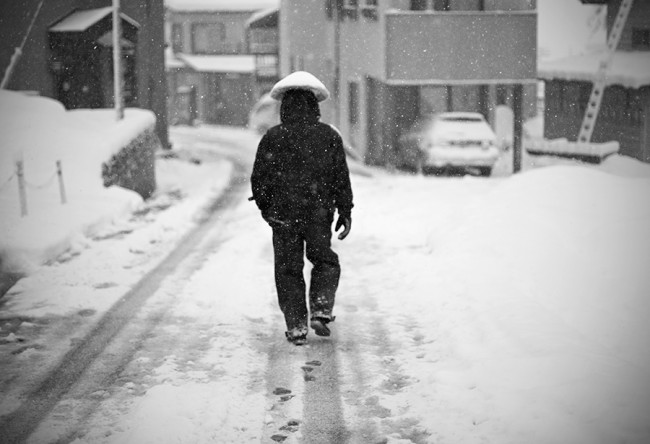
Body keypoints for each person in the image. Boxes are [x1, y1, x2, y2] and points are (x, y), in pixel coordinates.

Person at [250, 71, 354, 345]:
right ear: (315, 107)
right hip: (318, 213)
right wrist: (345, 210)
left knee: (288, 269)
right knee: (324, 260)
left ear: (284, 108)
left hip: (283, 216)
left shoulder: (273, 138)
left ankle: (296, 326)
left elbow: (259, 180)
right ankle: (321, 308)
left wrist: (268, 210)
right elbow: (340, 177)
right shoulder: (328, 137)